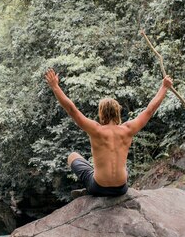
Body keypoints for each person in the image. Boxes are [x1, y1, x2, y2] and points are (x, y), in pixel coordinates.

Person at [44, 68, 173, 197]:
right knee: (123, 167)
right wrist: (164, 87)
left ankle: (89, 188)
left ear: (101, 113)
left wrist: (55, 86)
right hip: (121, 189)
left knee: (72, 156)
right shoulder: (128, 129)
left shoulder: (96, 130)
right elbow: (150, 110)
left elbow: (72, 109)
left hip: (98, 187)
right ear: (117, 113)